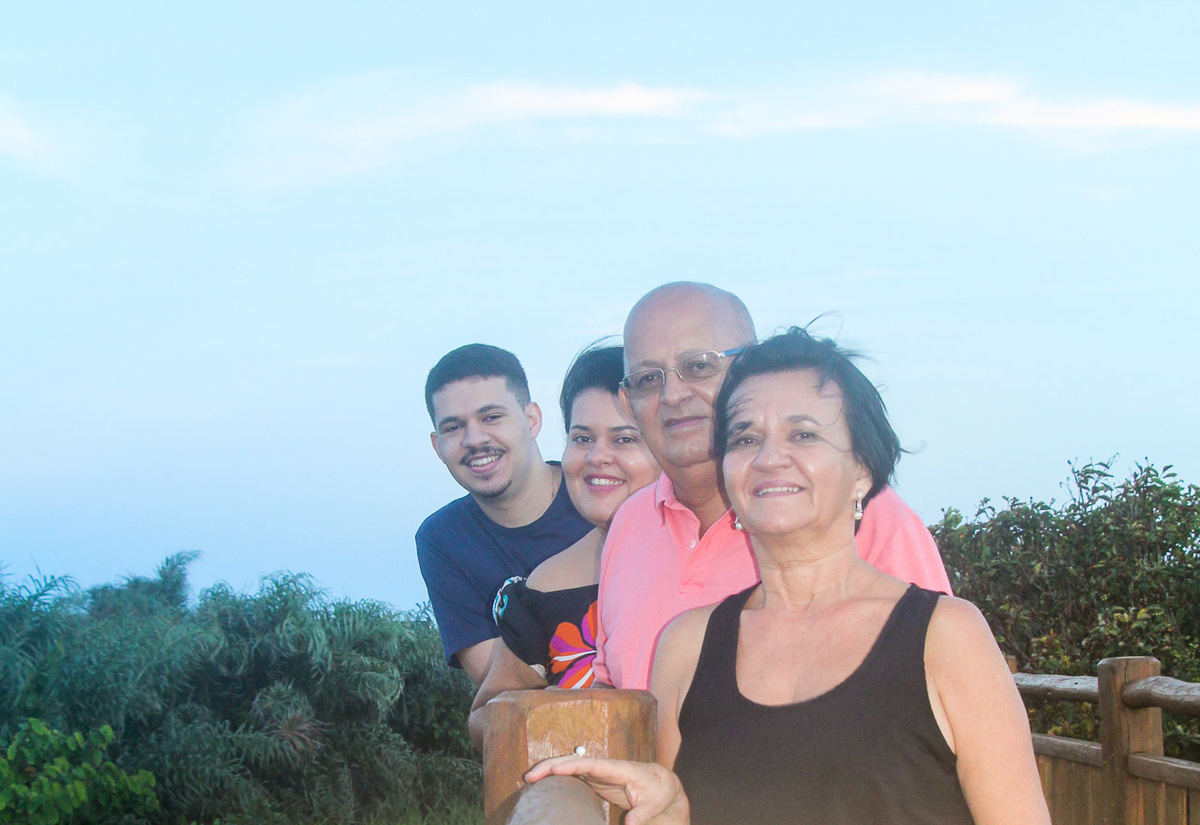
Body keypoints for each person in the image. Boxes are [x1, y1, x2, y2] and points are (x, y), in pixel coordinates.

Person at [527, 328, 1050, 825]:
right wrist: (671, 811)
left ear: (864, 469)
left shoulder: (946, 637)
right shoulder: (686, 646)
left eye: (803, 434)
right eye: (746, 438)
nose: (770, 457)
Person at [594, 282, 953, 691]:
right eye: (647, 379)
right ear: (627, 403)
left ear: (751, 371)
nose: (673, 394)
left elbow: (941, 694)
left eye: (698, 366)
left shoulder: (863, 515)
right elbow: (612, 689)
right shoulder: (628, 524)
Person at [467, 345, 661, 748]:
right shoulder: (545, 589)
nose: (597, 457)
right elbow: (484, 716)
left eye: (624, 439)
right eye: (582, 437)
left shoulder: (720, 568)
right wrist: (555, 714)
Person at [416, 343, 592, 684]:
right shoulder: (443, 539)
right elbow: (501, 695)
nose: (474, 439)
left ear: (532, 420)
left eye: (491, 417)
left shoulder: (598, 497)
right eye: (454, 427)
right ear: (437, 446)